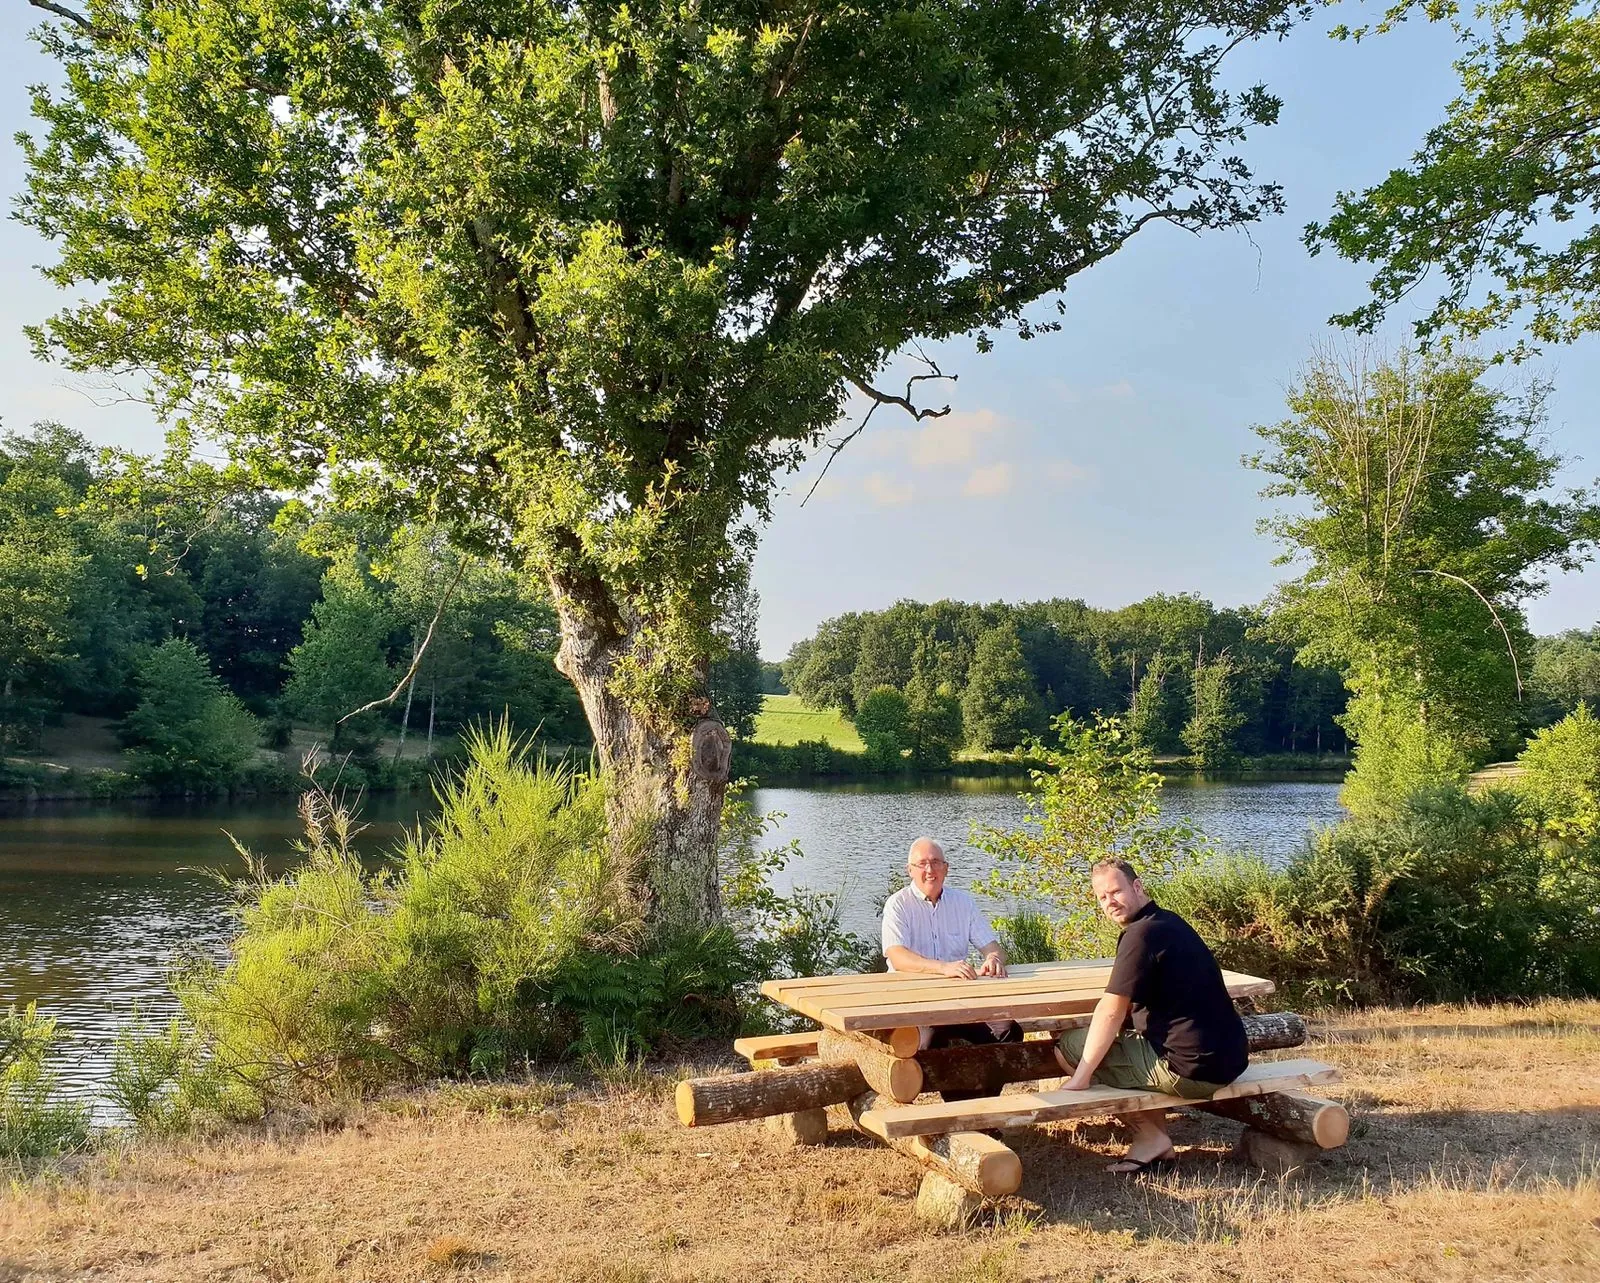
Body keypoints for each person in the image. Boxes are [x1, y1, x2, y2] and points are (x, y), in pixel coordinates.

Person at [1053, 858, 1248, 1174]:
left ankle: (1150, 1137)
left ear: (1138, 886)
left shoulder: (1139, 935)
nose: (1109, 902)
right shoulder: (1169, 922)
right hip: (1231, 1057)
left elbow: (1112, 1010)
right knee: (1130, 1044)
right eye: (1102, 897)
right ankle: (1158, 1140)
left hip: (1190, 1070)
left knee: (1070, 1046)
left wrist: (1080, 1078)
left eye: (1115, 891)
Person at [881, 837, 1021, 1052]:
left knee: (1008, 1030)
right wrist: (943, 968)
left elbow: (994, 948)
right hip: (913, 999)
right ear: (910, 870)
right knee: (932, 1040)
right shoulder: (897, 904)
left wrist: (993, 959)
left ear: (946, 869)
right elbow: (897, 957)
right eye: (922, 864)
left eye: (936, 862)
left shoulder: (963, 903)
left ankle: (981, 1086)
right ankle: (951, 1086)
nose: (930, 869)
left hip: (957, 1000)